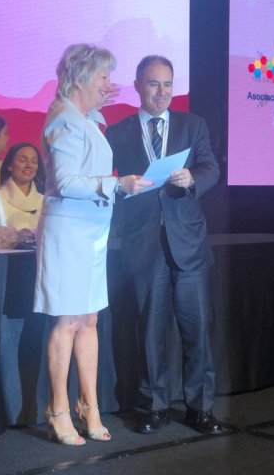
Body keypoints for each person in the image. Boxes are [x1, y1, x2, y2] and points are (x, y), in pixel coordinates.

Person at [33, 43, 150, 446]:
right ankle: (58, 408)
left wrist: (96, 102)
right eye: (103, 76)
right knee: (67, 322)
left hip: (91, 232)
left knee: (89, 321)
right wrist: (117, 184)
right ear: (81, 77)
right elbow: (66, 182)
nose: (109, 84)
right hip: (68, 233)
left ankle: (89, 405)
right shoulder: (64, 118)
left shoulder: (84, 116)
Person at [106, 55, 223, 435]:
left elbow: (211, 168)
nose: (162, 92)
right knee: (149, 332)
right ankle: (153, 407)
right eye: (154, 84)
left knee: (197, 331)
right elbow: (105, 181)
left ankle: (200, 409)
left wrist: (192, 179)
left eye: (168, 84)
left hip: (188, 243)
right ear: (138, 86)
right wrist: (121, 185)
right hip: (143, 243)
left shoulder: (193, 125)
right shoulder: (117, 132)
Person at [0, 142, 44, 231]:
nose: (29, 165)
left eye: (34, 162)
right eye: (23, 160)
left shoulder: (45, 201)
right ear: (9, 165)